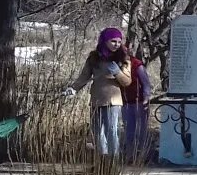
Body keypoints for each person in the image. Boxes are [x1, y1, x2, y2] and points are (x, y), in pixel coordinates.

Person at [65, 27, 132, 164]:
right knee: (97, 132)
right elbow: (84, 76)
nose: (116, 44)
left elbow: (127, 81)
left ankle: (113, 162)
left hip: (113, 101)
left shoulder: (122, 58)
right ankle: (102, 160)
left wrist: (118, 72)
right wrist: (73, 88)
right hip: (96, 99)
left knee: (111, 131)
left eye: (119, 42)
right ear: (105, 41)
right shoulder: (94, 57)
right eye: (113, 41)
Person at [122, 52, 153, 161]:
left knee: (141, 130)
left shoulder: (137, 65)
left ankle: (143, 156)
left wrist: (146, 98)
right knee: (128, 130)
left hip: (139, 102)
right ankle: (129, 155)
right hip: (125, 102)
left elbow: (146, 84)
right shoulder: (117, 64)